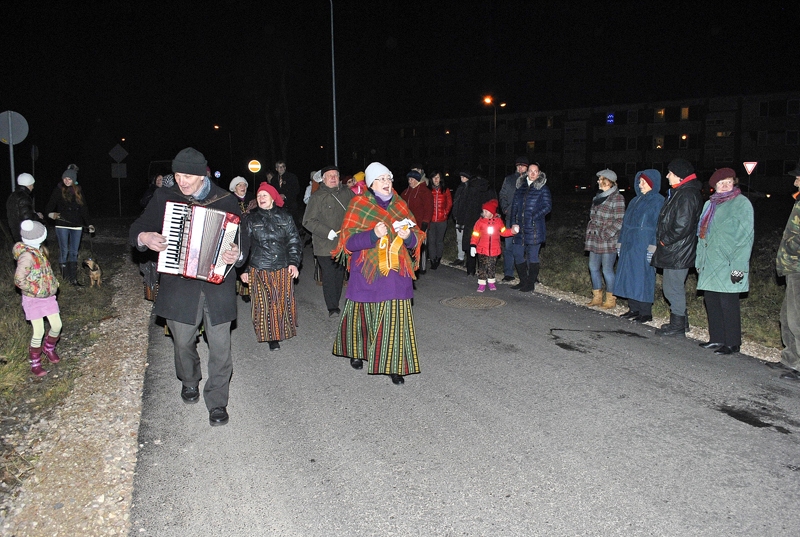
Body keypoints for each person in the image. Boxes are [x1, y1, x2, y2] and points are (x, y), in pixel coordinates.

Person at [130, 147, 246, 426]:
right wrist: (146, 237)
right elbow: (138, 228)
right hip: (179, 286)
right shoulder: (165, 197)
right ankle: (189, 378)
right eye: (178, 175)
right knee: (182, 343)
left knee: (220, 348)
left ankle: (217, 401)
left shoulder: (226, 200)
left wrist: (236, 254)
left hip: (216, 286)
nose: (181, 181)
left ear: (202, 174)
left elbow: (242, 238)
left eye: (188, 177)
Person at [331, 161, 424, 385]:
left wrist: (407, 237)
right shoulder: (358, 204)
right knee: (362, 316)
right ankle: (357, 351)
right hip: (367, 271)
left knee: (395, 319)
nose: (386, 183)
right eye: (381, 179)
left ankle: (394, 366)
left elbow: (417, 238)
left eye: (389, 178)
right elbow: (349, 242)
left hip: (396, 273)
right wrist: (372, 234)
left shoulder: (401, 205)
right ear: (371, 184)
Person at [694, 168, 754, 355]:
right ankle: (717, 338)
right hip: (711, 261)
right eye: (721, 183)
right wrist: (699, 260)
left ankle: (732, 342)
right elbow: (701, 237)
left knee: (728, 302)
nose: (726, 185)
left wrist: (739, 267)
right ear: (715, 187)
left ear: (734, 182)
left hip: (730, 263)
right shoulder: (709, 205)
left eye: (729, 181)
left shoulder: (741, 203)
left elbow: (746, 238)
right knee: (711, 300)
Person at [240, 182, 302, 350]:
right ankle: (271, 336)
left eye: (264, 195)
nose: (261, 198)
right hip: (259, 266)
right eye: (259, 196)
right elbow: (244, 245)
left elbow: (294, 242)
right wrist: (244, 269)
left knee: (280, 301)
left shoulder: (285, 217)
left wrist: (294, 263)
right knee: (264, 303)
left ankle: (280, 330)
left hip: (282, 266)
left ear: (273, 198)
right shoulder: (250, 219)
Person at [651, 158, 704, 336]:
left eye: (670, 173)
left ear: (680, 176)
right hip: (676, 249)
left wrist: (664, 240)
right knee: (672, 287)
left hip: (678, 250)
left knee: (672, 288)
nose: (667, 176)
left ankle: (678, 325)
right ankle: (682, 321)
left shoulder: (687, 195)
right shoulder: (681, 192)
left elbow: (682, 225)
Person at [302, 165, 355, 316]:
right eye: (329, 176)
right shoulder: (317, 197)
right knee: (330, 274)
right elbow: (308, 221)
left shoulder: (348, 193)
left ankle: (336, 301)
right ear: (323, 179)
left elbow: (358, 210)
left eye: (335, 175)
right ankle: (332, 307)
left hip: (343, 242)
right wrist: (327, 232)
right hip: (324, 244)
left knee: (339, 274)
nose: (333, 178)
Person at [614, 169, 665, 323]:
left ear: (652, 183)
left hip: (644, 244)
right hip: (630, 243)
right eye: (640, 181)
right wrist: (620, 242)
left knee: (643, 276)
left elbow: (658, 226)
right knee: (629, 275)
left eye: (644, 182)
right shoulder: (635, 200)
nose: (640, 184)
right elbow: (626, 224)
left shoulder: (658, 201)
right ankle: (633, 308)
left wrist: (653, 246)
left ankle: (645, 311)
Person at [13, 220, 63, 377]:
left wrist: (53, 283)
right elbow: (19, 279)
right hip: (33, 299)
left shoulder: (39, 251)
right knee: (39, 330)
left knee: (57, 325)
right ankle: (35, 361)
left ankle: (49, 347)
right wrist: (37, 290)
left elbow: (45, 272)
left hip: (48, 297)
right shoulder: (27, 256)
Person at [45, 166, 94, 286]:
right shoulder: (58, 190)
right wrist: (51, 214)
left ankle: (73, 279)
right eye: (65, 178)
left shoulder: (78, 191)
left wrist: (89, 224)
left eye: (69, 179)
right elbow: (49, 206)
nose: (67, 181)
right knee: (64, 250)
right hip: (62, 225)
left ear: (74, 180)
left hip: (76, 225)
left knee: (73, 252)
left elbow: (84, 208)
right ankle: (65, 279)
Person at [585, 169, 626, 309]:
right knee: (593, 267)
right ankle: (597, 297)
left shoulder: (617, 198)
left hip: (608, 240)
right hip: (595, 238)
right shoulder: (597, 197)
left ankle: (611, 298)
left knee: (607, 270)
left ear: (608, 181)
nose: (598, 181)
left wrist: (606, 234)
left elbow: (620, 220)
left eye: (601, 179)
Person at [774, 161, 800, 381]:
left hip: (799, 266)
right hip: (792, 267)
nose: (795, 181)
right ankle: (790, 359)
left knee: (797, 318)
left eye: (799, 177)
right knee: (787, 315)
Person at [509, 163, 552, 292]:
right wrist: (513, 223)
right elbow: (514, 207)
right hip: (520, 228)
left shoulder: (543, 188)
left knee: (532, 256)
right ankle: (523, 280)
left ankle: (530, 283)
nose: (533, 173)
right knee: (517, 253)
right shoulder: (520, 187)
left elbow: (547, 206)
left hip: (534, 228)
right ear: (526, 172)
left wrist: (533, 216)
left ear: (539, 173)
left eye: (535, 171)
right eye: (531, 171)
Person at [469, 199, 516, 292]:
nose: (484, 213)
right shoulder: (480, 222)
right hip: (482, 249)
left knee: (491, 266)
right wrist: (473, 245)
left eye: (486, 211)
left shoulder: (498, 222)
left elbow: (503, 232)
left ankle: (491, 282)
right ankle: (481, 283)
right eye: (483, 211)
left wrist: (512, 231)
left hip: (494, 250)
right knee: (482, 267)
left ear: (492, 212)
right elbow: (475, 234)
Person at [459, 173, 496, 276]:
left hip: (470, 220)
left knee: (471, 243)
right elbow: (494, 203)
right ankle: (483, 270)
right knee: (483, 245)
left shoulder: (470, 187)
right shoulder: (488, 188)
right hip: (484, 220)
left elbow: (463, 204)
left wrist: (461, 219)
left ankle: (470, 270)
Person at [499, 156, 529, 282]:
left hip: (526, 218)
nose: (520, 168)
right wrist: (505, 209)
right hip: (511, 217)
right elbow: (502, 195)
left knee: (527, 247)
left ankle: (528, 273)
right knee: (509, 246)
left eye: (523, 166)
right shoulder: (509, 179)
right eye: (518, 166)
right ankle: (508, 273)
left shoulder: (530, 180)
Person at [401, 170, 433, 274]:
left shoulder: (425, 192)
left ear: (417, 180)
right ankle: (410, 265)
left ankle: (422, 267)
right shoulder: (406, 192)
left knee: (421, 247)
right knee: (409, 246)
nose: (410, 181)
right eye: (409, 179)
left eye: (412, 179)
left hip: (420, 224)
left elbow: (429, 208)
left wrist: (425, 222)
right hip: (408, 225)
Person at [230, 176, 255, 303]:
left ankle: (247, 290)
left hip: (249, 233)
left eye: (244, 185)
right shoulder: (230, 200)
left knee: (247, 258)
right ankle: (234, 286)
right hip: (235, 233)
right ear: (234, 188)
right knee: (235, 259)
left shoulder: (252, 199)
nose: (243, 187)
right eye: (239, 185)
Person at [6, 173, 43, 243]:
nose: (33, 187)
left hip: (15, 230)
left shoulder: (12, 195)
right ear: (29, 185)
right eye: (32, 184)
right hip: (24, 233)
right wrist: (37, 216)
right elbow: (27, 217)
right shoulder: (24, 197)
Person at [428, 170, 452, 270]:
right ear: (431, 179)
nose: (436, 179)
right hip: (431, 220)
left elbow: (449, 203)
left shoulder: (445, 190)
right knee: (431, 240)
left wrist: (445, 213)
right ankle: (433, 259)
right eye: (434, 177)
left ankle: (438, 258)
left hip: (442, 220)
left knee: (439, 241)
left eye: (438, 177)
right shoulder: (428, 190)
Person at [451, 172, 471, 265]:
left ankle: (468, 259)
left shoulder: (471, 188)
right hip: (459, 217)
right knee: (459, 239)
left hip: (467, 218)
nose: (462, 178)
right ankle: (460, 257)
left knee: (467, 239)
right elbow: (456, 202)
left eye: (464, 177)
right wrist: (454, 214)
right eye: (461, 177)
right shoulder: (460, 188)